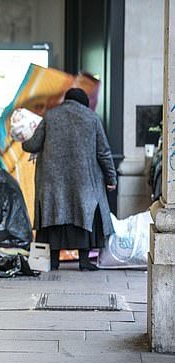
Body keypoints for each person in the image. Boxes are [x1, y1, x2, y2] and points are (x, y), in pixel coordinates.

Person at [22, 88, 117, 271]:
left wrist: (22, 138)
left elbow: (33, 145)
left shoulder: (50, 117)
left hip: (52, 183)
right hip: (84, 183)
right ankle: (83, 260)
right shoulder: (91, 118)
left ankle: (54, 261)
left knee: (54, 216)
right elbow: (103, 152)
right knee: (83, 215)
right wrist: (111, 178)